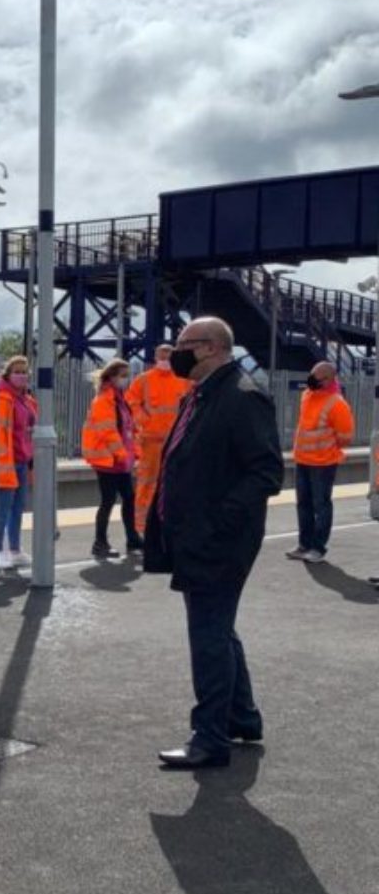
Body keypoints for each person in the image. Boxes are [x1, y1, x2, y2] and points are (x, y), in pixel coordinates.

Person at [144, 317, 283, 769]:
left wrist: (216, 524)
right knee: (218, 628)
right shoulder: (204, 394)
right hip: (198, 535)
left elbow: (266, 471)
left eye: (183, 345)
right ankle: (242, 718)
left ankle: (210, 738)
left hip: (219, 540)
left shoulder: (241, 396)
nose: (174, 354)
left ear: (208, 348)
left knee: (207, 635)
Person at [286, 362, 354, 564]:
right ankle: (304, 545)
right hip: (303, 460)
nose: (312, 380)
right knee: (303, 504)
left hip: (323, 463)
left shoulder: (337, 403)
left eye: (317, 377)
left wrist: (326, 448)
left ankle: (318, 547)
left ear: (330, 379)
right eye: (311, 375)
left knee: (321, 505)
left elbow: (346, 437)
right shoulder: (306, 395)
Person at [81, 357, 143, 559]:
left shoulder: (119, 399)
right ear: (112, 376)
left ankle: (132, 539)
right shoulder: (104, 400)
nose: (126, 379)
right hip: (109, 461)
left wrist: (134, 453)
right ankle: (100, 542)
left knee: (128, 498)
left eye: (127, 375)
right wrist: (121, 454)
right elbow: (107, 431)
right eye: (123, 375)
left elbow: (128, 429)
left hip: (120, 460)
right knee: (108, 501)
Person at [126, 343, 190, 534]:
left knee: (175, 482)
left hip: (177, 441)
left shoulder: (183, 380)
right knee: (147, 483)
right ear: (155, 357)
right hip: (151, 441)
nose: (165, 360)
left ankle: (169, 523)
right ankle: (141, 526)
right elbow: (131, 401)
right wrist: (143, 420)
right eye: (162, 356)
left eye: (168, 356)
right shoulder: (144, 380)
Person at [0, 356, 38, 569]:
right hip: (7, 462)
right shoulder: (3, 398)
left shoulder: (26, 400)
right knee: (2, 508)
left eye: (24, 372)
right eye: (17, 372)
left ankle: (14, 548)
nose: (22, 376)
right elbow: (0, 433)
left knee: (18, 507)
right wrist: (5, 462)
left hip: (22, 459)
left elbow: (30, 431)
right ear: (8, 375)